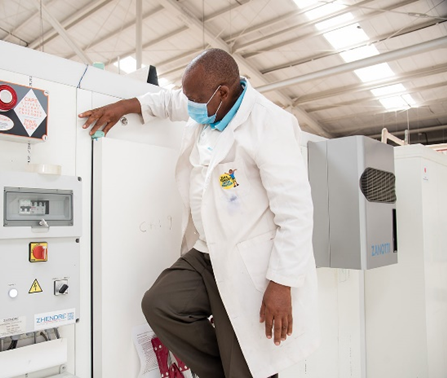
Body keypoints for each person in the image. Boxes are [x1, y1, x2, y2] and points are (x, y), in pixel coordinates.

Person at [79, 48, 319, 378]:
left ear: (223, 92)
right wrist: (126, 106)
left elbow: (295, 212)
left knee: (249, 358)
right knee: (160, 304)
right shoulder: (207, 103)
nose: (188, 105)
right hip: (206, 251)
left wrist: (282, 284)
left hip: (249, 263)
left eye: (195, 99)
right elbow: (169, 102)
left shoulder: (269, 125)